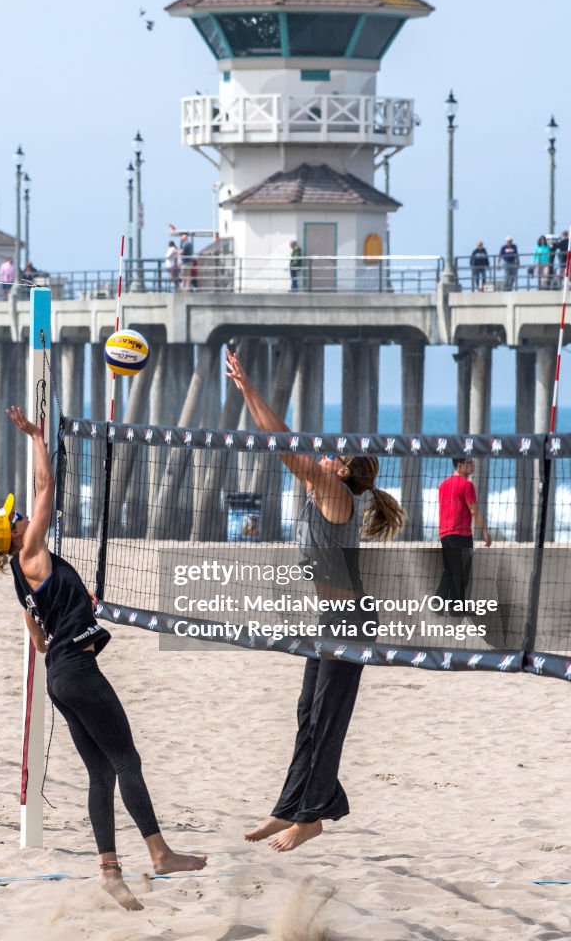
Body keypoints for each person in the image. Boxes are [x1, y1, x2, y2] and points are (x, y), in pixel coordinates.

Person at [0, 406, 206, 910]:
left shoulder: (22, 582)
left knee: (101, 774)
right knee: (127, 761)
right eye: (15, 519)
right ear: (15, 535)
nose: (21, 516)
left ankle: (109, 870)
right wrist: (37, 438)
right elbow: (45, 490)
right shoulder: (30, 552)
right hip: (78, 671)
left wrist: (68, 608)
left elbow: (38, 642)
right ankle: (160, 852)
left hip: (58, 675)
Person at [225, 349, 405, 853]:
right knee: (308, 711)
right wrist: (246, 393)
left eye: (333, 454)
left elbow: (282, 441)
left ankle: (313, 816)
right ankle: (289, 808)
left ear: (344, 471)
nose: (324, 454)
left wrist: (251, 391)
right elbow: (285, 444)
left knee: (326, 716)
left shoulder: (333, 491)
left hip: (351, 619)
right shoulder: (322, 488)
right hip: (330, 614)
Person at [435, 456, 491, 613]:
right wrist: (485, 531)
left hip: (444, 533)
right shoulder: (466, 485)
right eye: (469, 463)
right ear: (459, 465)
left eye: (473, 462)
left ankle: (438, 603)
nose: (473, 465)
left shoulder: (443, 484)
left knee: (450, 569)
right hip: (460, 533)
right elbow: (473, 510)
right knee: (462, 571)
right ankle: (455, 607)